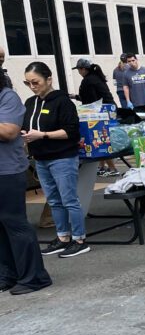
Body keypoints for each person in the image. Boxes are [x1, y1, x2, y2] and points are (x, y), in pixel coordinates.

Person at [21, 62, 90, 258]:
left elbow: (71, 132)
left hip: (62, 157)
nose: (33, 87)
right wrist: (26, 135)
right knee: (53, 200)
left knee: (69, 199)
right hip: (41, 158)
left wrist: (42, 135)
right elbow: (27, 125)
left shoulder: (62, 102)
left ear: (48, 79)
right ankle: (63, 237)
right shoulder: (30, 103)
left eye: (36, 82)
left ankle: (79, 239)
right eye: (28, 83)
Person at [0, 71, 51, 294]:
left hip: (7, 171)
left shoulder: (7, 97)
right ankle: (8, 274)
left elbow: (9, 131)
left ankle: (35, 277)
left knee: (15, 223)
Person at [74, 58, 119, 177]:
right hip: (110, 110)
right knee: (101, 140)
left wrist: (84, 111)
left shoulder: (88, 81)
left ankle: (112, 168)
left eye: (79, 69)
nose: (79, 72)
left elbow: (90, 101)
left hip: (100, 113)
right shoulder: (96, 77)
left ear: (83, 69)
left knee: (101, 140)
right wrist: (76, 97)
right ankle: (102, 166)